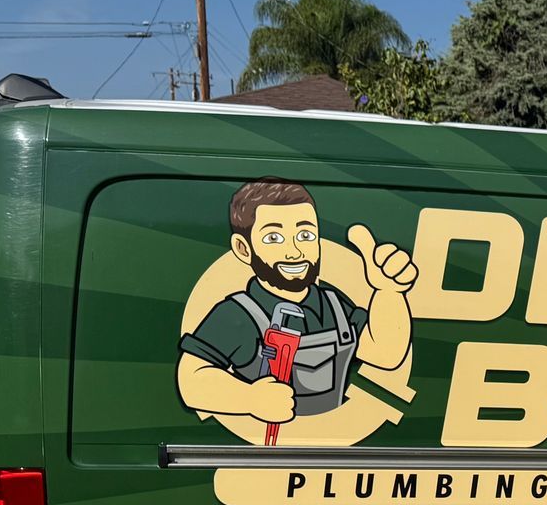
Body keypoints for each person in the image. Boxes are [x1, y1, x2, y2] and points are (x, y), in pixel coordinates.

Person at [176, 178, 417, 428]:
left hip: (331, 447)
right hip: (275, 455)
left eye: (305, 235)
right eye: (274, 238)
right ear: (243, 248)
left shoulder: (333, 305)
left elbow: (385, 354)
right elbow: (191, 380)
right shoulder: (237, 315)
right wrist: (249, 399)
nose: (294, 252)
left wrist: (389, 291)